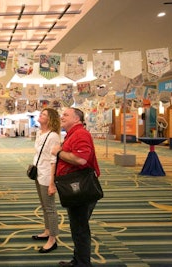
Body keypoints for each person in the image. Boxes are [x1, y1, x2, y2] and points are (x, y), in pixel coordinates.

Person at [51, 107, 100, 267]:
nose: (62, 117)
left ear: (77, 119)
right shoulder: (73, 134)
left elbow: (81, 160)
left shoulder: (80, 134)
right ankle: (78, 260)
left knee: (80, 228)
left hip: (81, 189)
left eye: (66, 114)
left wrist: (58, 152)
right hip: (74, 188)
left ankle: (82, 263)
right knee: (78, 227)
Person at [31, 108, 61, 253]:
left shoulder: (53, 136)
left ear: (50, 119)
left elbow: (54, 160)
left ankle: (53, 239)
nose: (40, 116)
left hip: (47, 175)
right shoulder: (39, 132)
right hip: (38, 172)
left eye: (43, 114)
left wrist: (52, 182)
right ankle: (47, 230)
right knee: (44, 205)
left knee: (50, 207)